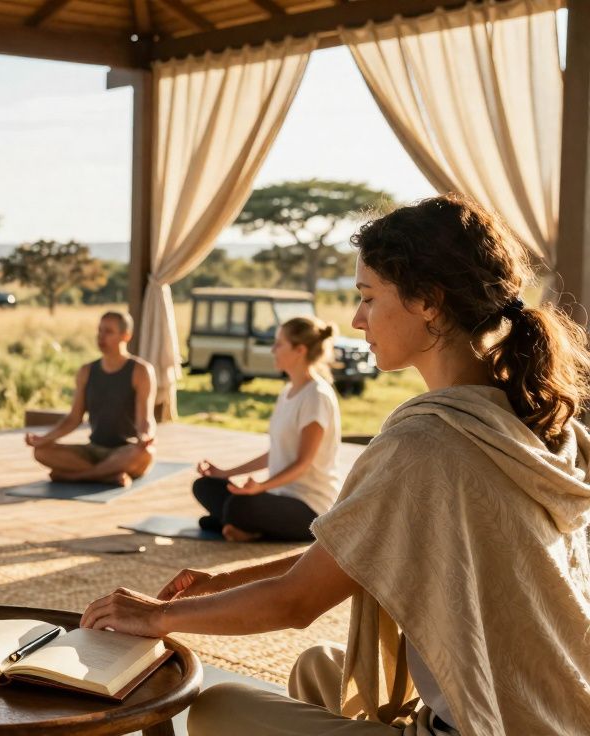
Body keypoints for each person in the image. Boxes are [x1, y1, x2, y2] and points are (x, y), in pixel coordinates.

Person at [80, 194, 590, 735]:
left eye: (368, 297)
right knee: (320, 668)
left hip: (485, 727)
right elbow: (350, 549)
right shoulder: (532, 417)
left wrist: (157, 617)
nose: (356, 318)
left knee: (216, 707)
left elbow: (296, 601)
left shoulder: (427, 441)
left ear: (429, 303)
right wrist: (220, 582)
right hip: (564, 710)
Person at [193, 316, 342, 542]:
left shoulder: (316, 396)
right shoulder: (287, 392)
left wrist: (261, 486)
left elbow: (303, 463)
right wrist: (225, 473)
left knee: (238, 505)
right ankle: (239, 524)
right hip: (278, 496)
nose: (272, 349)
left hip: (310, 508)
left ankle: (240, 524)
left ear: (300, 350)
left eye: (279, 343)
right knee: (205, 486)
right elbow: (276, 453)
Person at [25, 311, 155, 486]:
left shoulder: (141, 371)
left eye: (108, 332)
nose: (101, 337)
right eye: (99, 331)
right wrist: (44, 439)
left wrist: (145, 435)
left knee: (145, 455)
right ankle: (106, 475)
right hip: (92, 450)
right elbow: (73, 418)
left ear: (126, 336)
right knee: (40, 452)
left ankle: (77, 476)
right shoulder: (86, 371)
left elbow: (145, 419)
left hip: (125, 451)